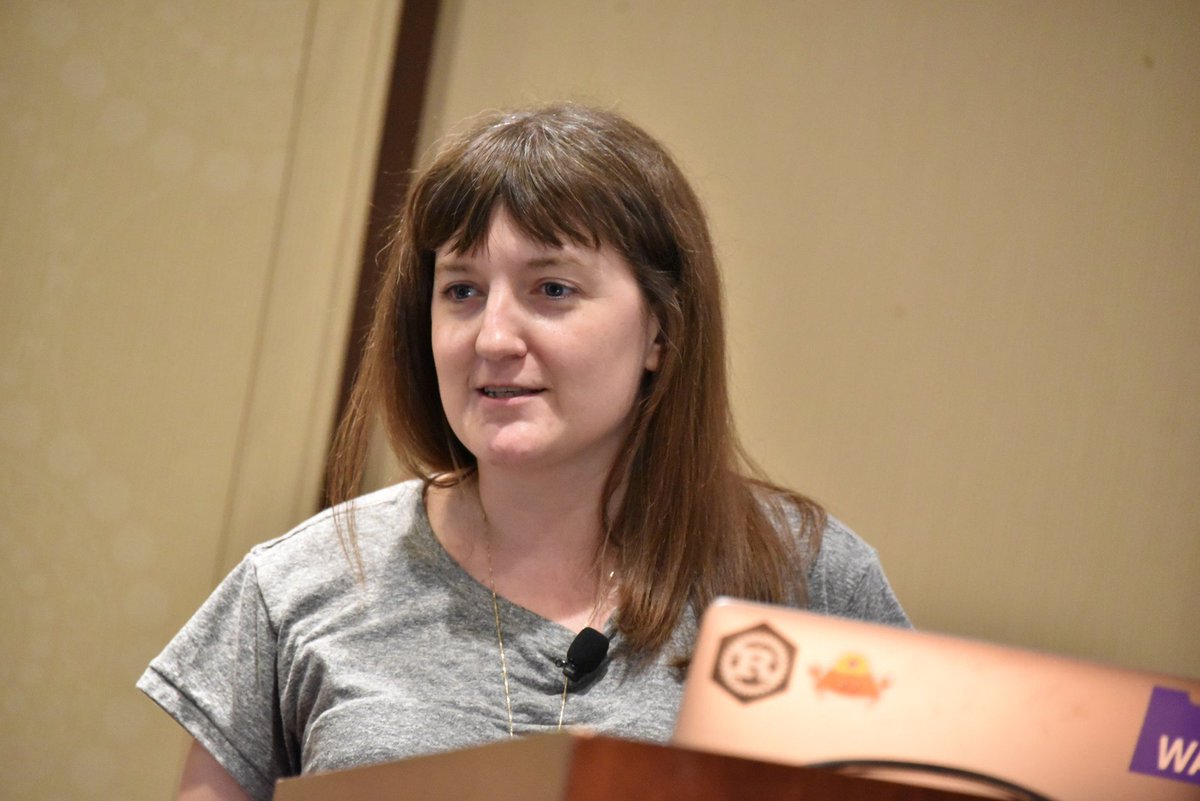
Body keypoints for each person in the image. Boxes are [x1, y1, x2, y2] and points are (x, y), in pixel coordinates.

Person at [138, 103, 909, 801]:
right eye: (462, 290)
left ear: (661, 331)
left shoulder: (807, 578)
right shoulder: (293, 589)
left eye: (552, 289)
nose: (494, 337)